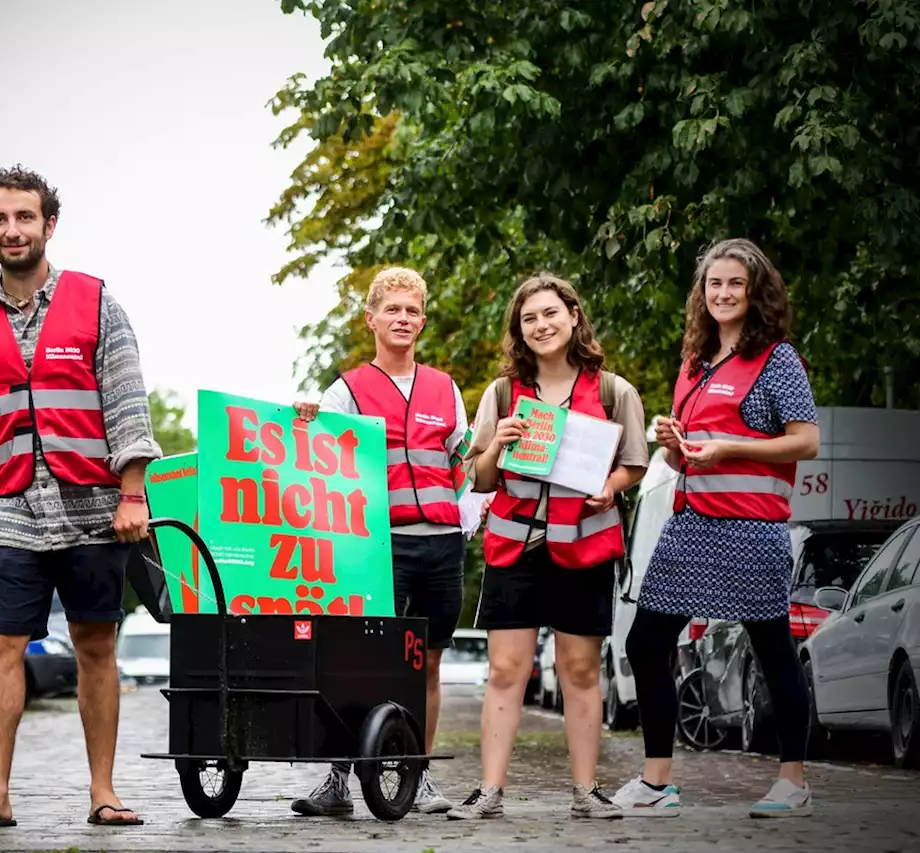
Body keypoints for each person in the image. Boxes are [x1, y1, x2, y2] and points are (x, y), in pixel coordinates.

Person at [0, 165, 161, 829]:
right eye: (0, 220)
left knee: (95, 644)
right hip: (7, 506)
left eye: (24, 217)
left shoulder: (95, 301)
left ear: (48, 224)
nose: (12, 229)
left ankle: (103, 791)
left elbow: (126, 397)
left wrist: (132, 492)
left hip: (94, 505)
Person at [610, 238, 820, 818]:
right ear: (702, 294)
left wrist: (730, 447)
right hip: (691, 525)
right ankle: (657, 783)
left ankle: (793, 781)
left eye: (734, 283)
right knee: (646, 643)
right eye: (713, 284)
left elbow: (807, 440)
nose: (722, 293)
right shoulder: (693, 366)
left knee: (772, 651)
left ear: (755, 293)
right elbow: (689, 460)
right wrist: (675, 446)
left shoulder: (777, 358)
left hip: (752, 529)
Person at [448, 273, 648, 821]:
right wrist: (499, 444)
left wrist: (609, 488)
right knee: (506, 671)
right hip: (515, 551)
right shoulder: (502, 393)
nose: (541, 325)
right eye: (529, 318)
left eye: (550, 313)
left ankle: (586, 792)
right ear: (519, 329)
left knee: (580, 671)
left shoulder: (614, 390)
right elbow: (481, 478)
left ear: (574, 316)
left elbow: (633, 462)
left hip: (583, 551)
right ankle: (489, 792)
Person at [289, 266, 468, 816]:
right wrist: (304, 424)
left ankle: (418, 778)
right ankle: (338, 781)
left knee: (428, 664)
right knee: (355, 661)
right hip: (375, 546)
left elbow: (463, 463)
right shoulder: (345, 391)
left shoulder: (446, 388)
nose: (403, 319)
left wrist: (470, 515)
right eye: (393, 309)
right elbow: (312, 464)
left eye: (413, 310)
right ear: (371, 319)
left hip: (441, 544)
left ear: (423, 319)